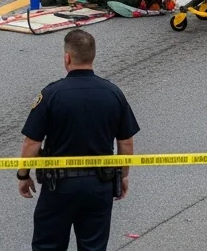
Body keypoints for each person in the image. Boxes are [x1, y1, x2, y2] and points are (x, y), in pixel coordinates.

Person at [18, 30, 139, 251]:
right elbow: (126, 141)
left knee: (48, 246)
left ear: (67, 57)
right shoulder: (113, 93)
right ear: (92, 56)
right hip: (99, 186)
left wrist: (23, 175)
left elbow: (31, 143)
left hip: (59, 187)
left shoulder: (51, 94)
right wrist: (123, 175)